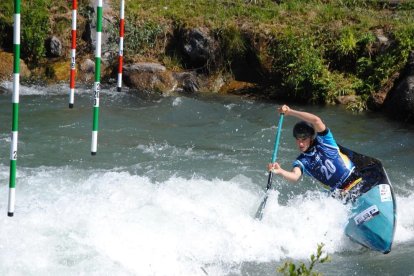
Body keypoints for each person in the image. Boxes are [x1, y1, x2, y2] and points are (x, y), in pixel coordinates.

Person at [267, 105, 366, 201]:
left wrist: (290, 112)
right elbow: (295, 176)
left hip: (356, 180)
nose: (300, 143)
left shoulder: (325, 141)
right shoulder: (302, 161)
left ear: (311, 138)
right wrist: (280, 171)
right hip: (339, 194)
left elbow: (316, 120)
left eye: (304, 139)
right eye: (298, 139)